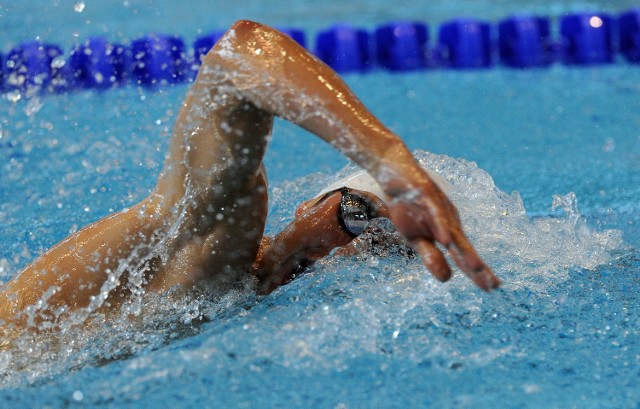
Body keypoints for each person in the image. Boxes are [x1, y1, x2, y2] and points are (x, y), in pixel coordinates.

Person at [0, 20, 500, 331]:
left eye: (383, 253)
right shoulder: (207, 238)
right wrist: (389, 163)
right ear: (309, 206)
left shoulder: (244, 306)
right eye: (354, 216)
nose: (348, 254)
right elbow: (240, 54)